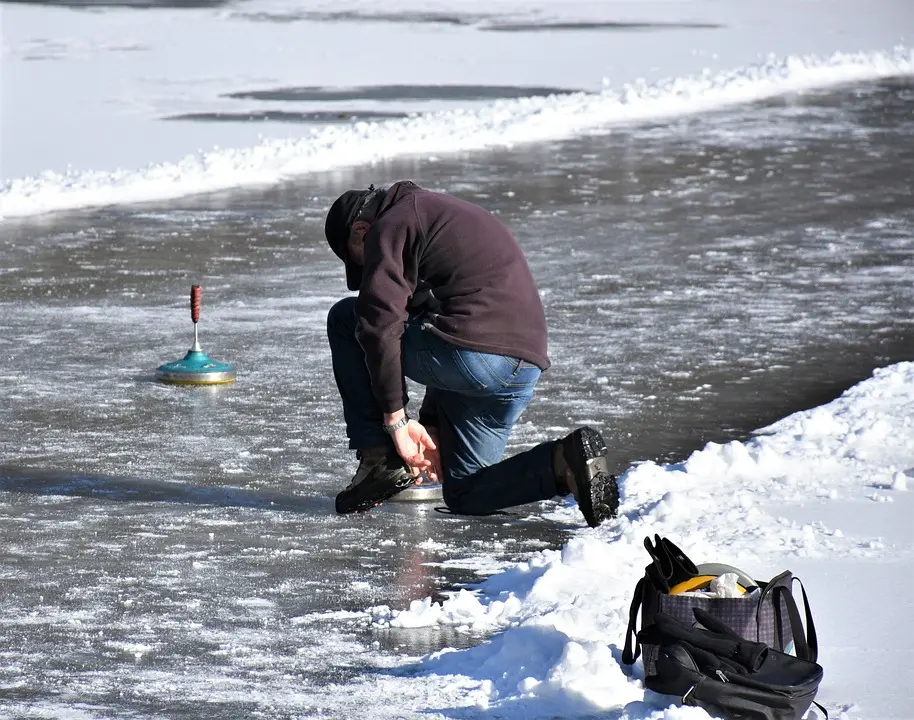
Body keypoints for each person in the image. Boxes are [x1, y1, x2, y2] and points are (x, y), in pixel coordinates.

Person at [323, 180, 619, 527]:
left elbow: (380, 326)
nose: (369, 273)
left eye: (362, 262)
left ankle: (380, 459)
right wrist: (433, 423)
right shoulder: (440, 212)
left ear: (362, 229)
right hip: (521, 366)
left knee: (348, 318)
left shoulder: (393, 223)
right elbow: (440, 316)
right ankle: (565, 462)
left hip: (478, 357)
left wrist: (396, 422)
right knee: (464, 491)